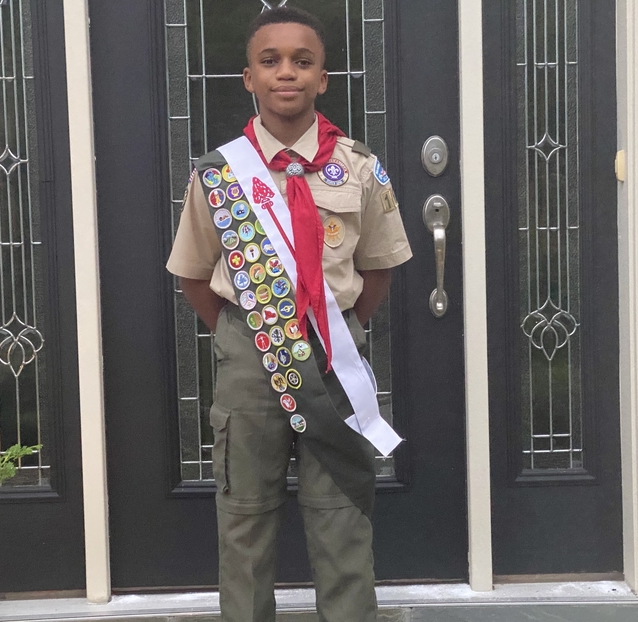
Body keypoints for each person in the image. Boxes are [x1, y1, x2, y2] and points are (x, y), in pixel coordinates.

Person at [166, 7, 411, 622]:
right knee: (245, 517)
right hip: (248, 357)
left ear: (323, 78)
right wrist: (249, 334)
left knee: (342, 515)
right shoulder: (219, 175)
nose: (286, 74)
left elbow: (376, 270)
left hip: (335, 354)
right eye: (270, 61)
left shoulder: (357, 167)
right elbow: (196, 276)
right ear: (248, 77)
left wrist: (330, 330)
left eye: (303, 62)